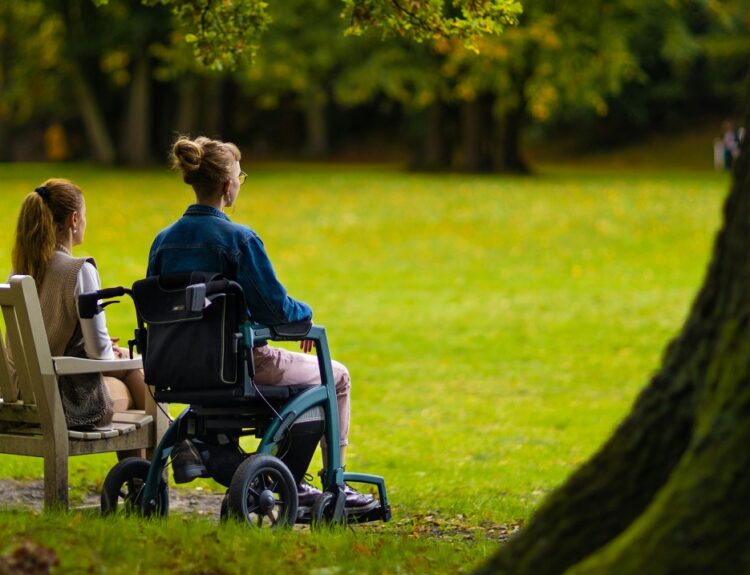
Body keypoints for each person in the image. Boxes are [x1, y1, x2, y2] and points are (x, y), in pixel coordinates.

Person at [148, 135, 375, 511]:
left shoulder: (162, 242)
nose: (240, 182)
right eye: (241, 176)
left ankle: (221, 450)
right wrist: (307, 317)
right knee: (336, 376)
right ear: (227, 186)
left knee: (310, 377)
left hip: (179, 367)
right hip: (242, 366)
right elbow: (276, 310)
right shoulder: (239, 239)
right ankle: (332, 483)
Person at [11, 179, 146, 439]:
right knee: (134, 380)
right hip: (62, 402)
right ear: (74, 219)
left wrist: (104, 350)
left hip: (19, 396)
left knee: (125, 370)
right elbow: (99, 354)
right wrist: (113, 354)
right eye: (84, 215)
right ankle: (160, 459)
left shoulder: (18, 272)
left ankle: (143, 472)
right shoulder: (78, 270)